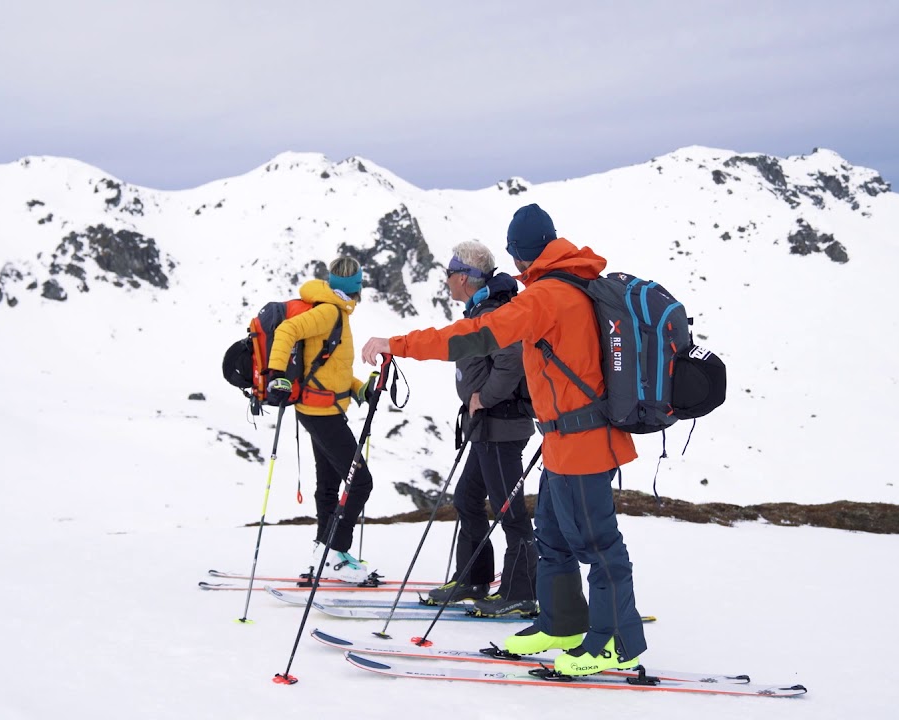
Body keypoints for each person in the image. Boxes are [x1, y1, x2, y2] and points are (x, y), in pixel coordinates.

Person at [362, 204, 647, 676]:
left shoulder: (547, 297)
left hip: (583, 441)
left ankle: (616, 640)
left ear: (519, 257)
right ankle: (562, 623)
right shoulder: (568, 285)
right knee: (553, 537)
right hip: (560, 439)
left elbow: (477, 336)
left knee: (597, 543)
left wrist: (401, 343)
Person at [423, 241, 537, 618]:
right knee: (468, 498)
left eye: (448, 275)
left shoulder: (492, 312)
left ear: (464, 278)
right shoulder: (480, 309)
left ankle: (521, 591)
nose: (446, 282)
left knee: (510, 511)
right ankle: (473, 578)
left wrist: (484, 399)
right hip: (487, 428)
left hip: (501, 425)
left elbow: (512, 360)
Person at [266, 256, 379, 584]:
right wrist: (276, 374)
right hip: (321, 414)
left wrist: (359, 390)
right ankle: (334, 554)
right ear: (356, 287)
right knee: (361, 482)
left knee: (329, 486)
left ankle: (324, 551)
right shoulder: (329, 311)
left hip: (322, 410)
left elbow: (331, 370)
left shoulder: (336, 311)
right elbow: (288, 329)